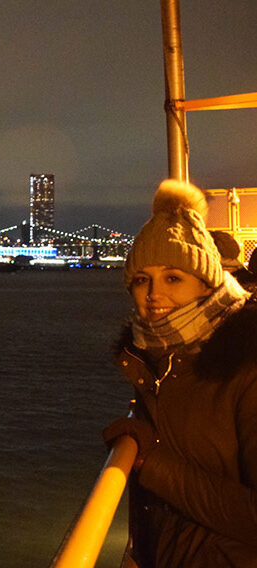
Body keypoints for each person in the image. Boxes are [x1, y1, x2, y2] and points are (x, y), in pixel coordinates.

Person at [103, 179, 257, 567]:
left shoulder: (246, 361)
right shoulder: (160, 359)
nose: (154, 295)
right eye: (142, 280)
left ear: (206, 285)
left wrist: (150, 460)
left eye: (173, 278)